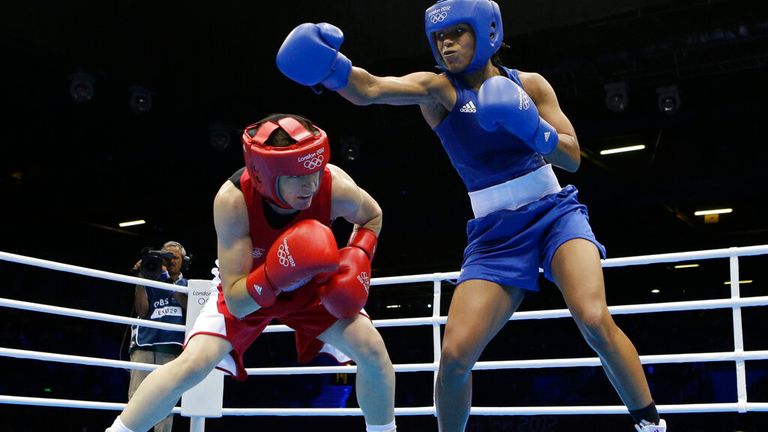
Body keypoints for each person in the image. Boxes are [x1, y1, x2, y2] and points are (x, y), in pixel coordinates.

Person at [276, 1, 666, 431]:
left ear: (488, 33)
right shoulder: (440, 90)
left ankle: (650, 425)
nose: (447, 44)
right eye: (439, 37)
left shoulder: (530, 86)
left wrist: (532, 128)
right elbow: (370, 89)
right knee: (456, 356)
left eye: (457, 33)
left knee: (593, 318)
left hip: (556, 214)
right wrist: (331, 68)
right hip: (495, 235)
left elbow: (572, 157)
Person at [106, 114, 396, 432]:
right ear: (266, 174)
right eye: (298, 176)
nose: (311, 184)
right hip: (247, 285)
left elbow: (372, 216)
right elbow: (238, 301)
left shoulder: (333, 184)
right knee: (192, 365)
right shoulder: (233, 201)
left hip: (311, 285)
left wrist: (358, 255)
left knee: (372, 349)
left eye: (315, 170)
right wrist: (276, 273)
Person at [128, 241, 189, 432]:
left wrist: (169, 281)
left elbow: (189, 306)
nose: (169, 262)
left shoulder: (188, 285)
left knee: (165, 402)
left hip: (171, 348)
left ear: (183, 262)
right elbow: (141, 310)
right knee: (136, 400)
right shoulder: (150, 278)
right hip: (144, 345)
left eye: (174, 258)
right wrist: (141, 279)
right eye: (165, 258)